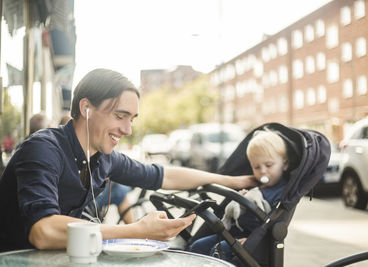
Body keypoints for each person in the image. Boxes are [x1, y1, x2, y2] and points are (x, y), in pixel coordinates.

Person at [0, 68, 257, 252]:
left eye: (132, 119)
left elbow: (165, 175)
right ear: (86, 109)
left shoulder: (103, 158)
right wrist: (138, 230)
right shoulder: (43, 148)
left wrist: (232, 180)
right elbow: (43, 230)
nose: (127, 130)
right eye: (120, 116)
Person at [189, 129, 289, 260]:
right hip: (234, 233)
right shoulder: (253, 184)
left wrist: (252, 241)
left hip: (254, 240)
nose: (263, 171)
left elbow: (272, 225)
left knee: (219, 250)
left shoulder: (282, 192)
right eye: (257, 167)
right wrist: (242, 198)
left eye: (269, 165)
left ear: (285, 164)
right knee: (198, 246)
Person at [59, 115, 135, 224]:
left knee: (117, 188)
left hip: (87, 202)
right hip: (84, 204)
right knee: (119, 191)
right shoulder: (60, 154)